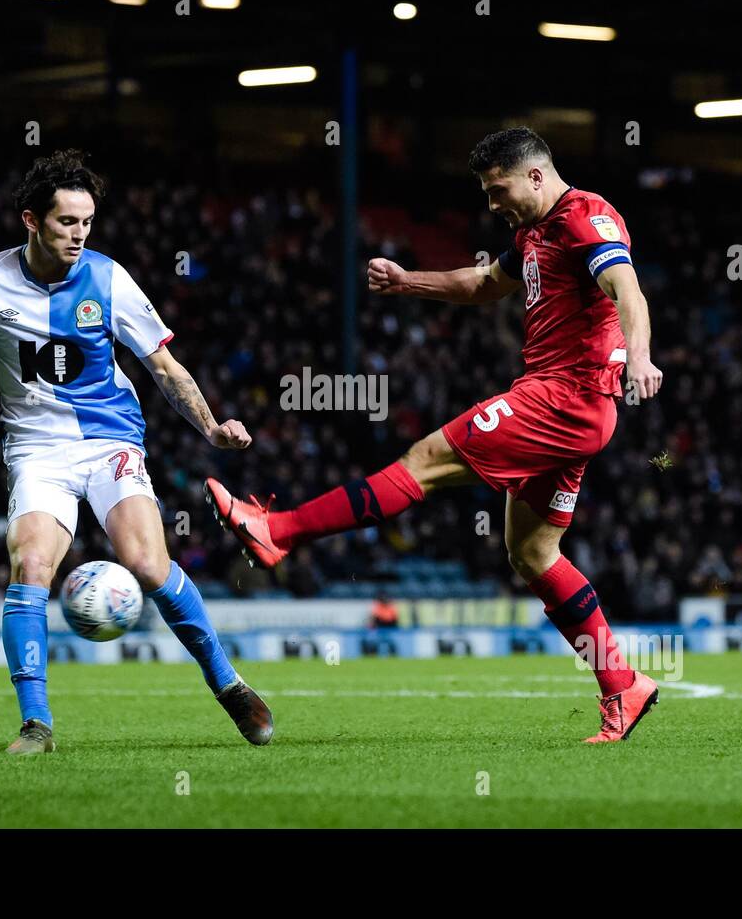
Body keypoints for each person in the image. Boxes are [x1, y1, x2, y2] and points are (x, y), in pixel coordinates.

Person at [208, 127, 663, 742]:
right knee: (532, 554)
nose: (493, 205)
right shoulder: (533, 233)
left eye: (498, 191)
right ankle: (624, 686)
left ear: (534, 176)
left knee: (424, 459)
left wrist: (640, 356)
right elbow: (481, 285)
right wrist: (405, 281)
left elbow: (626, 288)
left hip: (566, 397)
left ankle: (277, 530)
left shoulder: (586, 217)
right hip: (570, 408)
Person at [0, 149, 272, 754]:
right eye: (67, 222)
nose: (79, 234)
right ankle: (35, 724)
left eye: (88, 222)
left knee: (148, 565)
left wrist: (211, 428)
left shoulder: (109, 278)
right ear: (31, 220)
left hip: (110, 440)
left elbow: (164, 367)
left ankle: (227, 683)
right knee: (32, 565)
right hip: (37, 449)